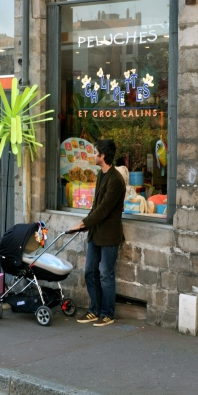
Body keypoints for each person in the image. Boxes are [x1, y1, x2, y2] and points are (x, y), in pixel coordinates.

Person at [70, 139, 126, 327]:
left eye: (95, 153)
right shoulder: (101, 175)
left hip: (109, 235)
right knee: (90, 272)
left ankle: (107, 313)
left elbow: (103, 209)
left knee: (105, 274)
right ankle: (94, 309)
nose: (93, 155)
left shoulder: (116, 180)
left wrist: (82, 223)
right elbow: (96, 207)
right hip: (95, 233)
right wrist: (85, 225)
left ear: (103, 156)